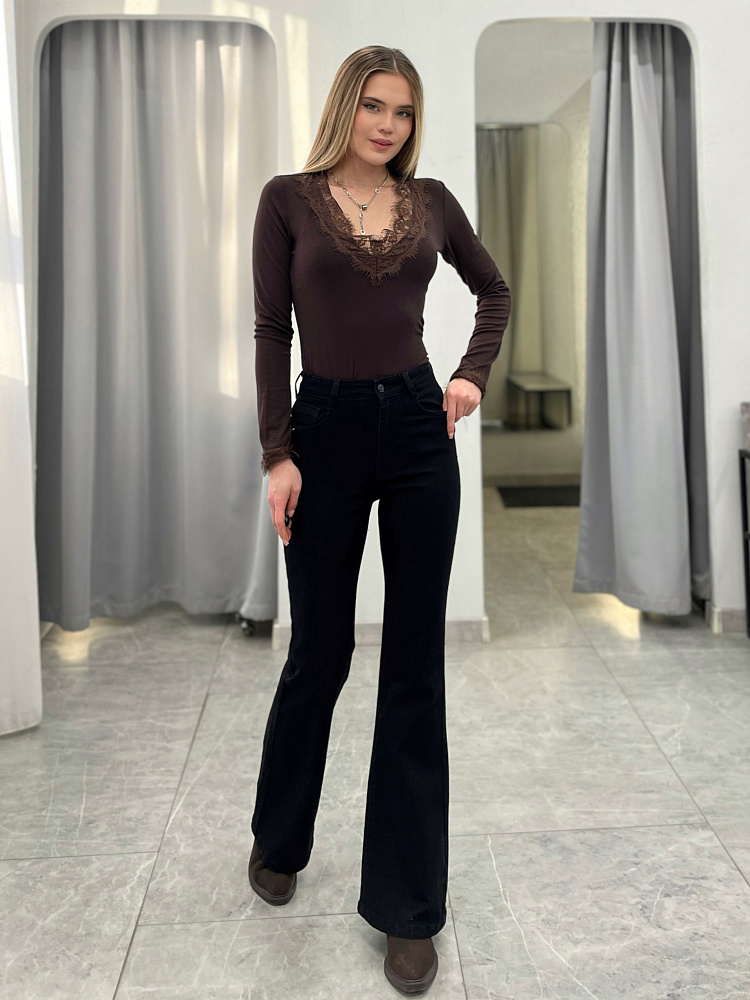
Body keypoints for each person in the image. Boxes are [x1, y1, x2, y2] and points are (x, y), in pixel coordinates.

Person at [247, 44, 511, 994]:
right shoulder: (287, 199)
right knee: (319, 652)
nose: (389, 125)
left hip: (414, 431)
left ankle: (407, 908)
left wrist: (470, 373)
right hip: (320, 431)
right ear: (344, 108)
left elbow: (493, 291)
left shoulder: (431, 202)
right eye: (374, 106)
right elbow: (271, 329)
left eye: (403, 111)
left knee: (412, 664)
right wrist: (277, 454)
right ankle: (279, 836)